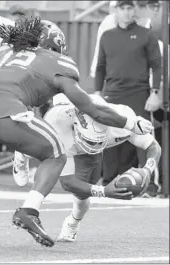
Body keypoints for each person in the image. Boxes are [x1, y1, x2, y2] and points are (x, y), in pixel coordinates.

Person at [0, 18, 153, 248]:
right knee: (55, 153)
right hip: (6, 111)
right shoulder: (55, 61)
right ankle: (29, 210)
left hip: (5, 111)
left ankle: (22, 157)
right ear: (55, 46)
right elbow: (92, 109)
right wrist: (130, 122)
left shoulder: (3, 55)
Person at [12, 93, 161, 242]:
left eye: (98, 142)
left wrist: (148, 169)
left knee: (83, 194)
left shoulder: (123, 121)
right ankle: (21, 153)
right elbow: (67, 182)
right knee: (38, 147)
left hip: (82, 136)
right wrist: (104, 192)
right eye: (91, 141)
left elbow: (153, 146)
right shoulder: (59, 126)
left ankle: (72, 223)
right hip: (62, 130)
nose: (94, 146)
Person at [94, 0, 162, 190]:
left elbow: (157, 66)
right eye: (122, 8)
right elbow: (100, 67)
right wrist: (98, 93)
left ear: (134, 10)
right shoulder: (107, 36)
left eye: (129, 8)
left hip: (139, 93)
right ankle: (110, 182)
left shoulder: (147, 35)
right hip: (112, 95)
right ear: (116, 11)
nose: (126, 12)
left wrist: (154, 93)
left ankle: (150, 186)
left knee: (144, 139)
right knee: (109, 139)